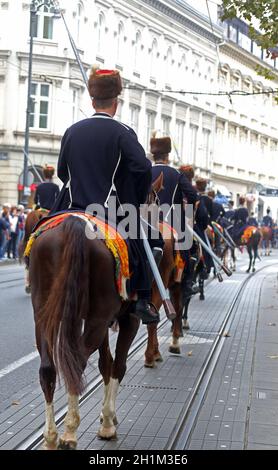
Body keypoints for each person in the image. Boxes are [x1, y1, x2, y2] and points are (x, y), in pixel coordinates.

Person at [52, 66, 162, 324]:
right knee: (139, 241)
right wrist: (134, 199)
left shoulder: (72, 130)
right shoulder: (123, 132)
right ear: (117, 102)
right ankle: (142, 300)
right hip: (108, 208)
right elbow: (143, 167)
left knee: (41, 233)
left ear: (92, 100)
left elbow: (62, 171)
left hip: (70, 203)